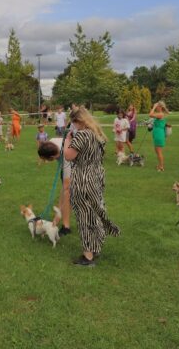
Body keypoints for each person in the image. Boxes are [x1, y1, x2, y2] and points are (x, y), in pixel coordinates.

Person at [64, 107, 120, 266]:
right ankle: (96, 246)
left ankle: (88, 256)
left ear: (78, 121)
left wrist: (68, 140)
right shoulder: (98, 134)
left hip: (83, 177)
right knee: (95, 210)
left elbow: (69, 156)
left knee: (84, 215)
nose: (73, 125)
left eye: (73, 122)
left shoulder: (81, 134)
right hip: (97, 175)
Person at [38, 136, 72, 236]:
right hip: (66, 161)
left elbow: (66, 188)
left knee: (68, 192)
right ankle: (63, 221)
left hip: (82, 165)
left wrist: (57, 216)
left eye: (46, 160)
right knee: (66, 191)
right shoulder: (52, 142)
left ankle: (66, 226)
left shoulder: (66, 157)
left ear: (52, 157)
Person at [149, 101, 169, 172]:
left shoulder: (160, 114)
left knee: (159, 151)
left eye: (157, 106)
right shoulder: (159, 114)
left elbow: (150, 115)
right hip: (157, 133)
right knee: (157, 151)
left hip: (159, 134)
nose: (156, 107)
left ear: (160, 107)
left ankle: (161, 167)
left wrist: (153, 107)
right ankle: (160, 165)